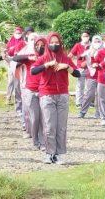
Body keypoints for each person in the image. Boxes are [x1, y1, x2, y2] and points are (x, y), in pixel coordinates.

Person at [31, 32, 80, 165]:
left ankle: (59, 154)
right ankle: (49, 153)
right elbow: (33, 70)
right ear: (48, 44)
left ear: (60, 43)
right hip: (47, 95)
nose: (54, 45)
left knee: (61, 126)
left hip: (63, 95)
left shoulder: (65, 58)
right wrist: (46, 65)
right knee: (49, 125)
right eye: (51, 42)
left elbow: (77, 73)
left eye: (56, 42)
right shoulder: (43, 58)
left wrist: (67, 67)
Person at [14, 35, 45, 150]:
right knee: (35, 117)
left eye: (42, 45)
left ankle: (42, 142)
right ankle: (35, 141)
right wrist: (28, 59)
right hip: (30, 91)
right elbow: (15, 58)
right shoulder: (30, 57)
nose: (40, 47)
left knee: (43, 118)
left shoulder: (47, 58)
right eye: (37, 45)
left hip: (44, 91)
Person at [3, 26, 25, 114]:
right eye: (16, 33)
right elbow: (6, 50)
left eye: (19, 33)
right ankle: (8, 98)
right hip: (11, 62)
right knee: (10, 81)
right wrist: (5, 56)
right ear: (13, 33)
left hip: (19, 63)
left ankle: (19, 100)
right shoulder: (11, 41)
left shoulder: (23, 42)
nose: (18, 35)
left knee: (18, 83)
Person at [79, 35, 102, 118]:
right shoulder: (89, 51)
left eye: (98, 41)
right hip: (91, 74)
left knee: (100, 95)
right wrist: (83, 59)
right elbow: (80, 57)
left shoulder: (103, 51)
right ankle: (82, 111)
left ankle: (98, 112)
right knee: (89, 94)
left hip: (101, 75)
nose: (97, 43)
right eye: (95, 41)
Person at [69, 30, 91, 108]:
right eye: (83, 36)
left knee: (90, 87)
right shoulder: (78, 45)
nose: (85, 38)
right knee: (80, 86)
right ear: (81, 37)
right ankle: (79, 103)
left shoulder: (92, 46)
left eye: (86, 36)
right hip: (80, 69)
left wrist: (87, 62)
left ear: (89, 37)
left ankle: (90, 102)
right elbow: (70, 55)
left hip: (90, 69)